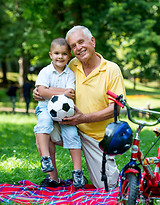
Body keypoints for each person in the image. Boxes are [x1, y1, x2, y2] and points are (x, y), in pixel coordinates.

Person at [33, 26, 126, 189]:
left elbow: (116, 109)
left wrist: (83, 118)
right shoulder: (71, 65)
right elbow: (53, 81)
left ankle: (89, 173)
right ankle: (52, 178)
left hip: (95, 137)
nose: (78, 48)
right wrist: (40, 91)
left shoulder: (111, 69)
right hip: (68, 126)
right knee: (43, 127)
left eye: (81, 42)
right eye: (73, 46)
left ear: (93, 41)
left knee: (108, 186)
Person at [34, 37, 85, 189]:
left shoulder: (70, 74)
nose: (60, 57)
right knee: (44, 123)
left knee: (72, 135)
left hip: (65, 111)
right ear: (51, 55)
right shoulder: (45, 72)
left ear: (69, 56)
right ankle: (45, 158)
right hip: (45, 108)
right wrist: (62, 92)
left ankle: (77, 172)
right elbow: (42, 91)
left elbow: (71, 93)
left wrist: (51, 91)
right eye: (56, 53)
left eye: (64, 54)